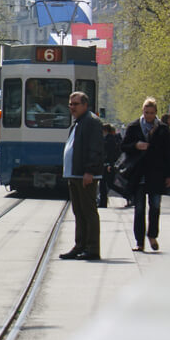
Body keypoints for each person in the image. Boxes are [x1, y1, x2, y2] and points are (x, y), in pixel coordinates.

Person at [120, 97, 170, 252]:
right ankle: (139, 241)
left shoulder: (162, 129)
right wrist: (136, 145)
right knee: (139, 208)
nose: (148, 116)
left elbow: (168, 153)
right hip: (139, 173)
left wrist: (169, 175)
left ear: (156, 112)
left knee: (155, 207)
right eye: (146, 112)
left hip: (157, 174)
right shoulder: (134, 127)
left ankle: (152, 235)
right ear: (142, 111)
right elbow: (124, 146)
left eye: (151, 113)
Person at [59, 91, 105, 261]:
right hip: (75, 174)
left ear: (85, 105)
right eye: (70, 104)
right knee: (79, 211)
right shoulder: (78, 123)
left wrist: (90, 171)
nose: (72, 107)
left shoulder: (91, 122)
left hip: (84, 175)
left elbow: (95, 148)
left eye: (76, 104)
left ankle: (92, 248)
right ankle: (80, 245)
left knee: (88, 211)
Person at [99, 123, 122, 208]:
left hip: (107, 165)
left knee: (107, 184)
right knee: (106, 184)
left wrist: (109, 164)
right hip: (107, 164)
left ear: (105, 130)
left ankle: (127, 194)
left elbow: (110, 153)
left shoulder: (110, 139)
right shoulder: (110, 138)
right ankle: (102, 202)